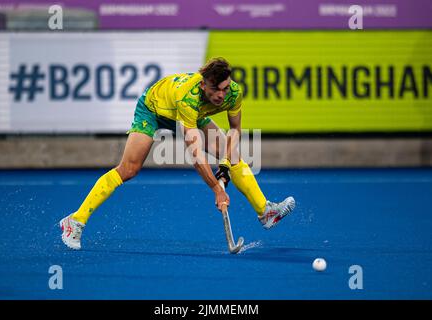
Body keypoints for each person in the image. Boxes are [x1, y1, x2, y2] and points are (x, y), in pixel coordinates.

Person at [59, 57, 295, 250]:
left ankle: (266, 211)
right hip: (154, 109)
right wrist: (216, 189)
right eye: (216, 90)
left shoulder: (233, 93)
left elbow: (235, 130)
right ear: (203, 85)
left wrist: (224, 164)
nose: (222, 95)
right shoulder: (188, 97)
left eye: (224, 89)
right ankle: (75, 221)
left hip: (192, 114)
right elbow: (194, 154)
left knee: (231, 154)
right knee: (129, 169)